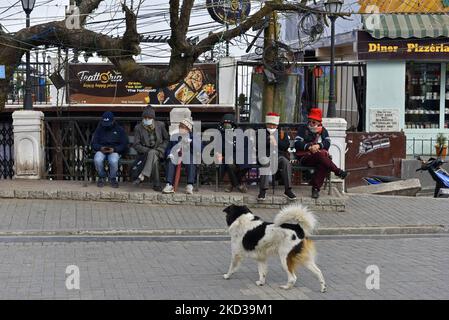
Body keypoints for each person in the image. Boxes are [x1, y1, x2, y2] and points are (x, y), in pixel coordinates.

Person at [294, 108, 348, 199]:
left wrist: (319, 146)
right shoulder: (303, 129)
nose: (311, 123)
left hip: (319, 158)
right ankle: (337, 171)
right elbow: (297, 143)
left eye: (314, 122)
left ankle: (315, 189)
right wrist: (309, 147)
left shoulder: (323, 131)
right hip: (305, 157)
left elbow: (327, 143)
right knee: (321, 156)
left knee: (323, 163)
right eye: (310, 121)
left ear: (319, 122)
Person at [257, 112, 297, 201]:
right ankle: (263, 191)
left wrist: (276, 142)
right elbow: (258, 145)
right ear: (267, 124)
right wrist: (268, 141)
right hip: (265, 156)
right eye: (270, 124)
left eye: (274, 125)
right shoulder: (261, 132)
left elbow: (286, 145)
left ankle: (288, 189)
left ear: (277, 125)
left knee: (285, 162)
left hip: (278, 157)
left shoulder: (282, 133)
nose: (271, 127)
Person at [132, 105, 169, 191]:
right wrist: (148, 150)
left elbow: (167, 139)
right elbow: (136, 144)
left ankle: (142, 175)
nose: (147, 119)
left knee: (153, 154)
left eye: (149, 118)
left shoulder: (160, 125)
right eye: (145, 117)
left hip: (159, 151)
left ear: (153, 118)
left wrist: (161, 148)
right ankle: (156, 185)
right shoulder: (138, 128)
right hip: (145, 154)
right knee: (154, 158)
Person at [162, 118, 201, 195]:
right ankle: (169, 184)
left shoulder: (194, 136)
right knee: (170, 160)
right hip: (177, 156)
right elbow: (168, 148)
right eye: (180, 127)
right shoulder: (174, 136)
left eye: (184, 128)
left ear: (189, 130)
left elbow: (200, 148)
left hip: (188, 156)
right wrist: (169, 154)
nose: (182, 130)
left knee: (190, 160)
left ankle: (190, 185)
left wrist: (191, 142)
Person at [91, 111, 129, 188]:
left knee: (114, 160)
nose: (106, 125)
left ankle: (113, 178)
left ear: (113, 121)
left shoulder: (119, 129)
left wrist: (114, 149)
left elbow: (124, 144)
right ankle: (102, 176)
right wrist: (100, 148)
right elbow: (93, 143)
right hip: (101, 150)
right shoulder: (99, 129)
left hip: (114, 150)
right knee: (97, 159)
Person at [216, 113, 249, 193]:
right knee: (229, 163)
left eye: (229, 123)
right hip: (227, 156)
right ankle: (238, 185)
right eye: (225, 124)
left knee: (247, 164)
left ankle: (232, 184)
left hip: (239, 155)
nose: (227, 125)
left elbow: (243, 146)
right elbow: (221, 148)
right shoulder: (220, 134)